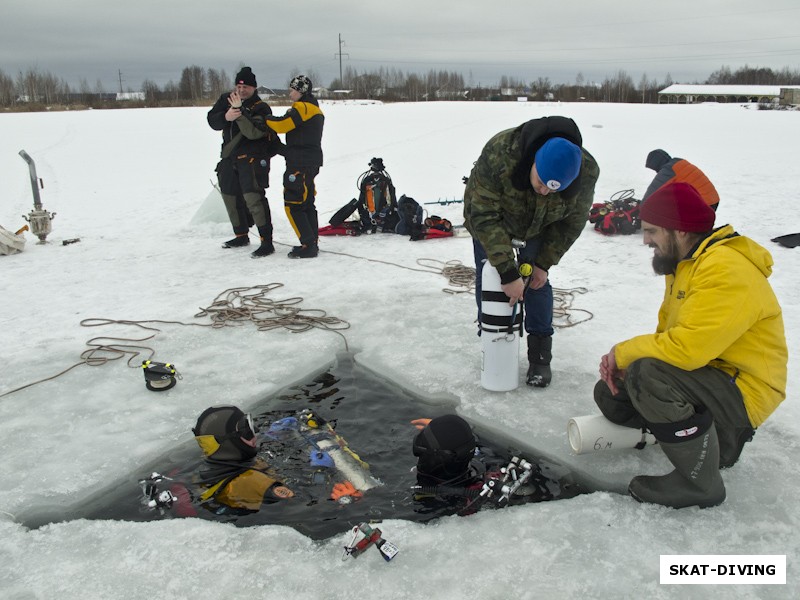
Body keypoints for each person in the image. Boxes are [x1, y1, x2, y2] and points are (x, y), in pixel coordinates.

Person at [594, 182, 787, 509]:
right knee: (612, 393)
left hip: (742, 392)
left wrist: (623, 354)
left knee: (646, 374)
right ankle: (690, 435)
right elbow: (671, 337)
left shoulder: (724, 268)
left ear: (680, 231)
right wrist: (625, 366)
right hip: (709, 375)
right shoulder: (686, 263)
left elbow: (687, 350)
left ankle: (701, 481)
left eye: (652, 231)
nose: (645, 241)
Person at [463, 116, 600, 387]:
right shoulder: (501, 153)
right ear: (534, 161)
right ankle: (491, 340)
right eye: (540, 183)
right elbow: (485, 215)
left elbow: (572, 222)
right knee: (492, 279)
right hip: (493, 220)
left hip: (539, 228)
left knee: (536, 283)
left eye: (553, 190)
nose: (544, 193)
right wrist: (506, 271)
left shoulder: (586, 171)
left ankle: (540, 356)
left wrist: (544, 264)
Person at [207, 66, 283, 258]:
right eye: (239, 87)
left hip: (252, 159)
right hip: (229, 158)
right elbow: (212, 120)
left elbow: (254, 132)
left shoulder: (260, 107)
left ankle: (267, 241)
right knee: (230, 197)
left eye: (246, 87)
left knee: (254, 199)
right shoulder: (226, 99)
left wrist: (239, 114)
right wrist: (225, 116)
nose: (241, 91)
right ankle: (241, 235)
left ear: (254, 88)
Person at [261, 75, 325, 258]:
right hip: (308, 161)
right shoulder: (314, 109)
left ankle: (308, 245)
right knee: (307, 203)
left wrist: (265, 119)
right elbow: (300, 136)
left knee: (294, 203)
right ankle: (311, 241)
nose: (290, 93)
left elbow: (282, 125)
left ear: (301, 91)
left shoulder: (303, 107)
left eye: (292, 90)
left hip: (300, 164)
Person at [190, 405, 295, 515]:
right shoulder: (253, 482)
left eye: (250, 426)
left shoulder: (208, 470)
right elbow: (298, 505)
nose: (255, 434)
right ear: (229, 444)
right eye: (246, 431)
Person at [643, 149, 719, 210]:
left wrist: (642, 208)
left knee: (670, 216)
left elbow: (653, 190)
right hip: (712, 199)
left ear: (657, 163)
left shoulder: (668, 170)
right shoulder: (678, 163)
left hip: (704, 204)